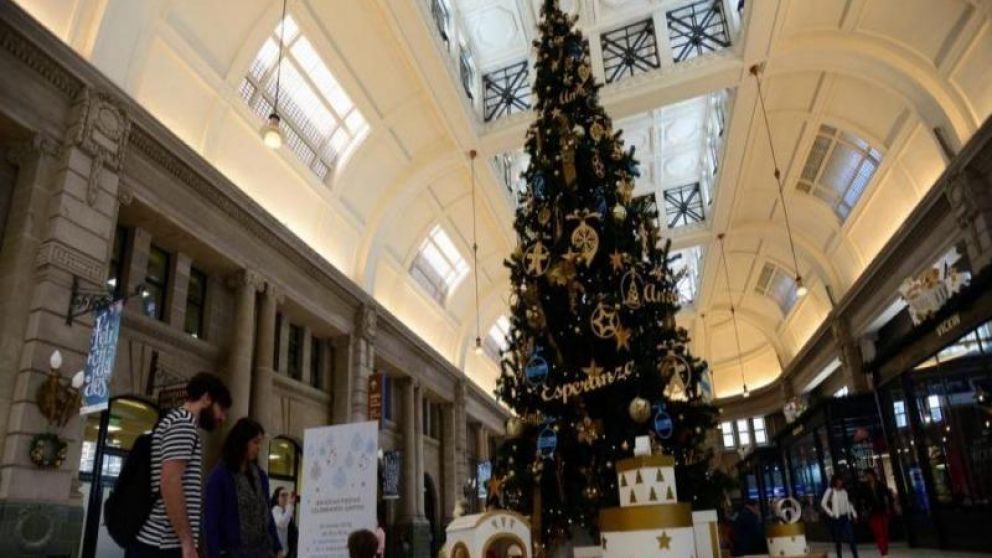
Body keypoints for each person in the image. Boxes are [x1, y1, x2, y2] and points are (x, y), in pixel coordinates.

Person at [130, 372, 231, 558]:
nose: (223, 418)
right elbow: (170, 482)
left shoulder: (176, 421)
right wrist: (187, 542)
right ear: (206, 398)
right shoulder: (183, 425)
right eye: (222, 409)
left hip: (161, 542)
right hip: (163, 544)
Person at [204, 418, 282, 558]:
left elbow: (267, 514)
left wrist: (277, 547)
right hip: (233, 552)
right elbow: (211, 522)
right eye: (255, 442)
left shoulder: (261, 476)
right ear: (241, 441)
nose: (259, 447)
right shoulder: (220, 477)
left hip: (263, 551)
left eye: (260, 443)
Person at [821, 475, 859, 558]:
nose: (839, 482)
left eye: (841, 480)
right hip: (837, 518)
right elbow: (823, 503)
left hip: (846, 517)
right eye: (838, 480)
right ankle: (839, 556)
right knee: (838, 541)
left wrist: (854, 514)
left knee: (851, 539)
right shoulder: (830, 490)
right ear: (834, 481)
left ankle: (856, 556)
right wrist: (831, 514)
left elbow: (848, 503)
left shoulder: (844, 491)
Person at [863, 470, 892, 558]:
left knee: (885, 532)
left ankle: (885, 550)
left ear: (873, 475)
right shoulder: (865, 487)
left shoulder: (880, 485)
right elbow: (863, 499)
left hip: (882, 510)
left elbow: (887, 495)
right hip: (873, 512)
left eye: (870, 475)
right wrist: (866, 508)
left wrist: (889, 506)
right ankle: (883, 552)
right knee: (878, 532)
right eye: (867, 475)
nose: (869, 477)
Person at [270, 487, 297, 558]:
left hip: (286, 554)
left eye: (286, 495)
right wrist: (290, 505)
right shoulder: (275, 510)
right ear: (277, 498)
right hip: (277, 554)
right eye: (282, 495)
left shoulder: (285, 512)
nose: (285, 497)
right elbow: (282, 523)